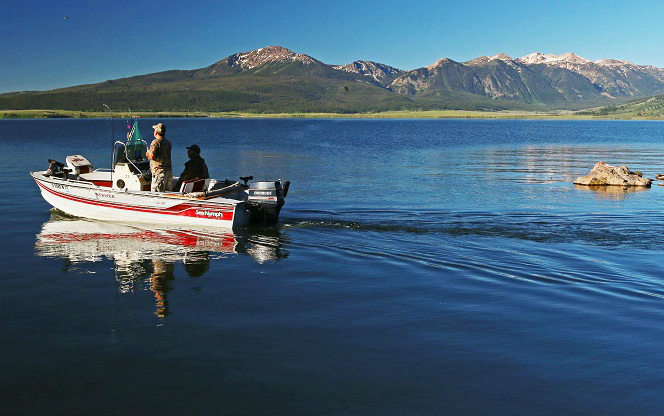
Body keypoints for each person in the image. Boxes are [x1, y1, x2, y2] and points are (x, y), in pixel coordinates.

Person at [146, 123, 173, 192]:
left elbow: (152, 156)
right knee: (167, 194)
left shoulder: (155, 142)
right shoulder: (168, 143)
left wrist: (147, 154)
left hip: (159, 172)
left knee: (157, 194)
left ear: (156, 132)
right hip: (168, 172)